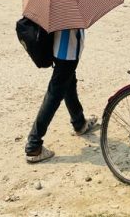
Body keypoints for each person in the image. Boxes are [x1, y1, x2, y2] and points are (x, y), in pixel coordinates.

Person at [25, 28, 98, 163]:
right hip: (68, 51)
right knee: (54, 94)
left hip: (59, 49)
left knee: (69, 83)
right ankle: (33, 145)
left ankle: (79, 122)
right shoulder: (68, 13)